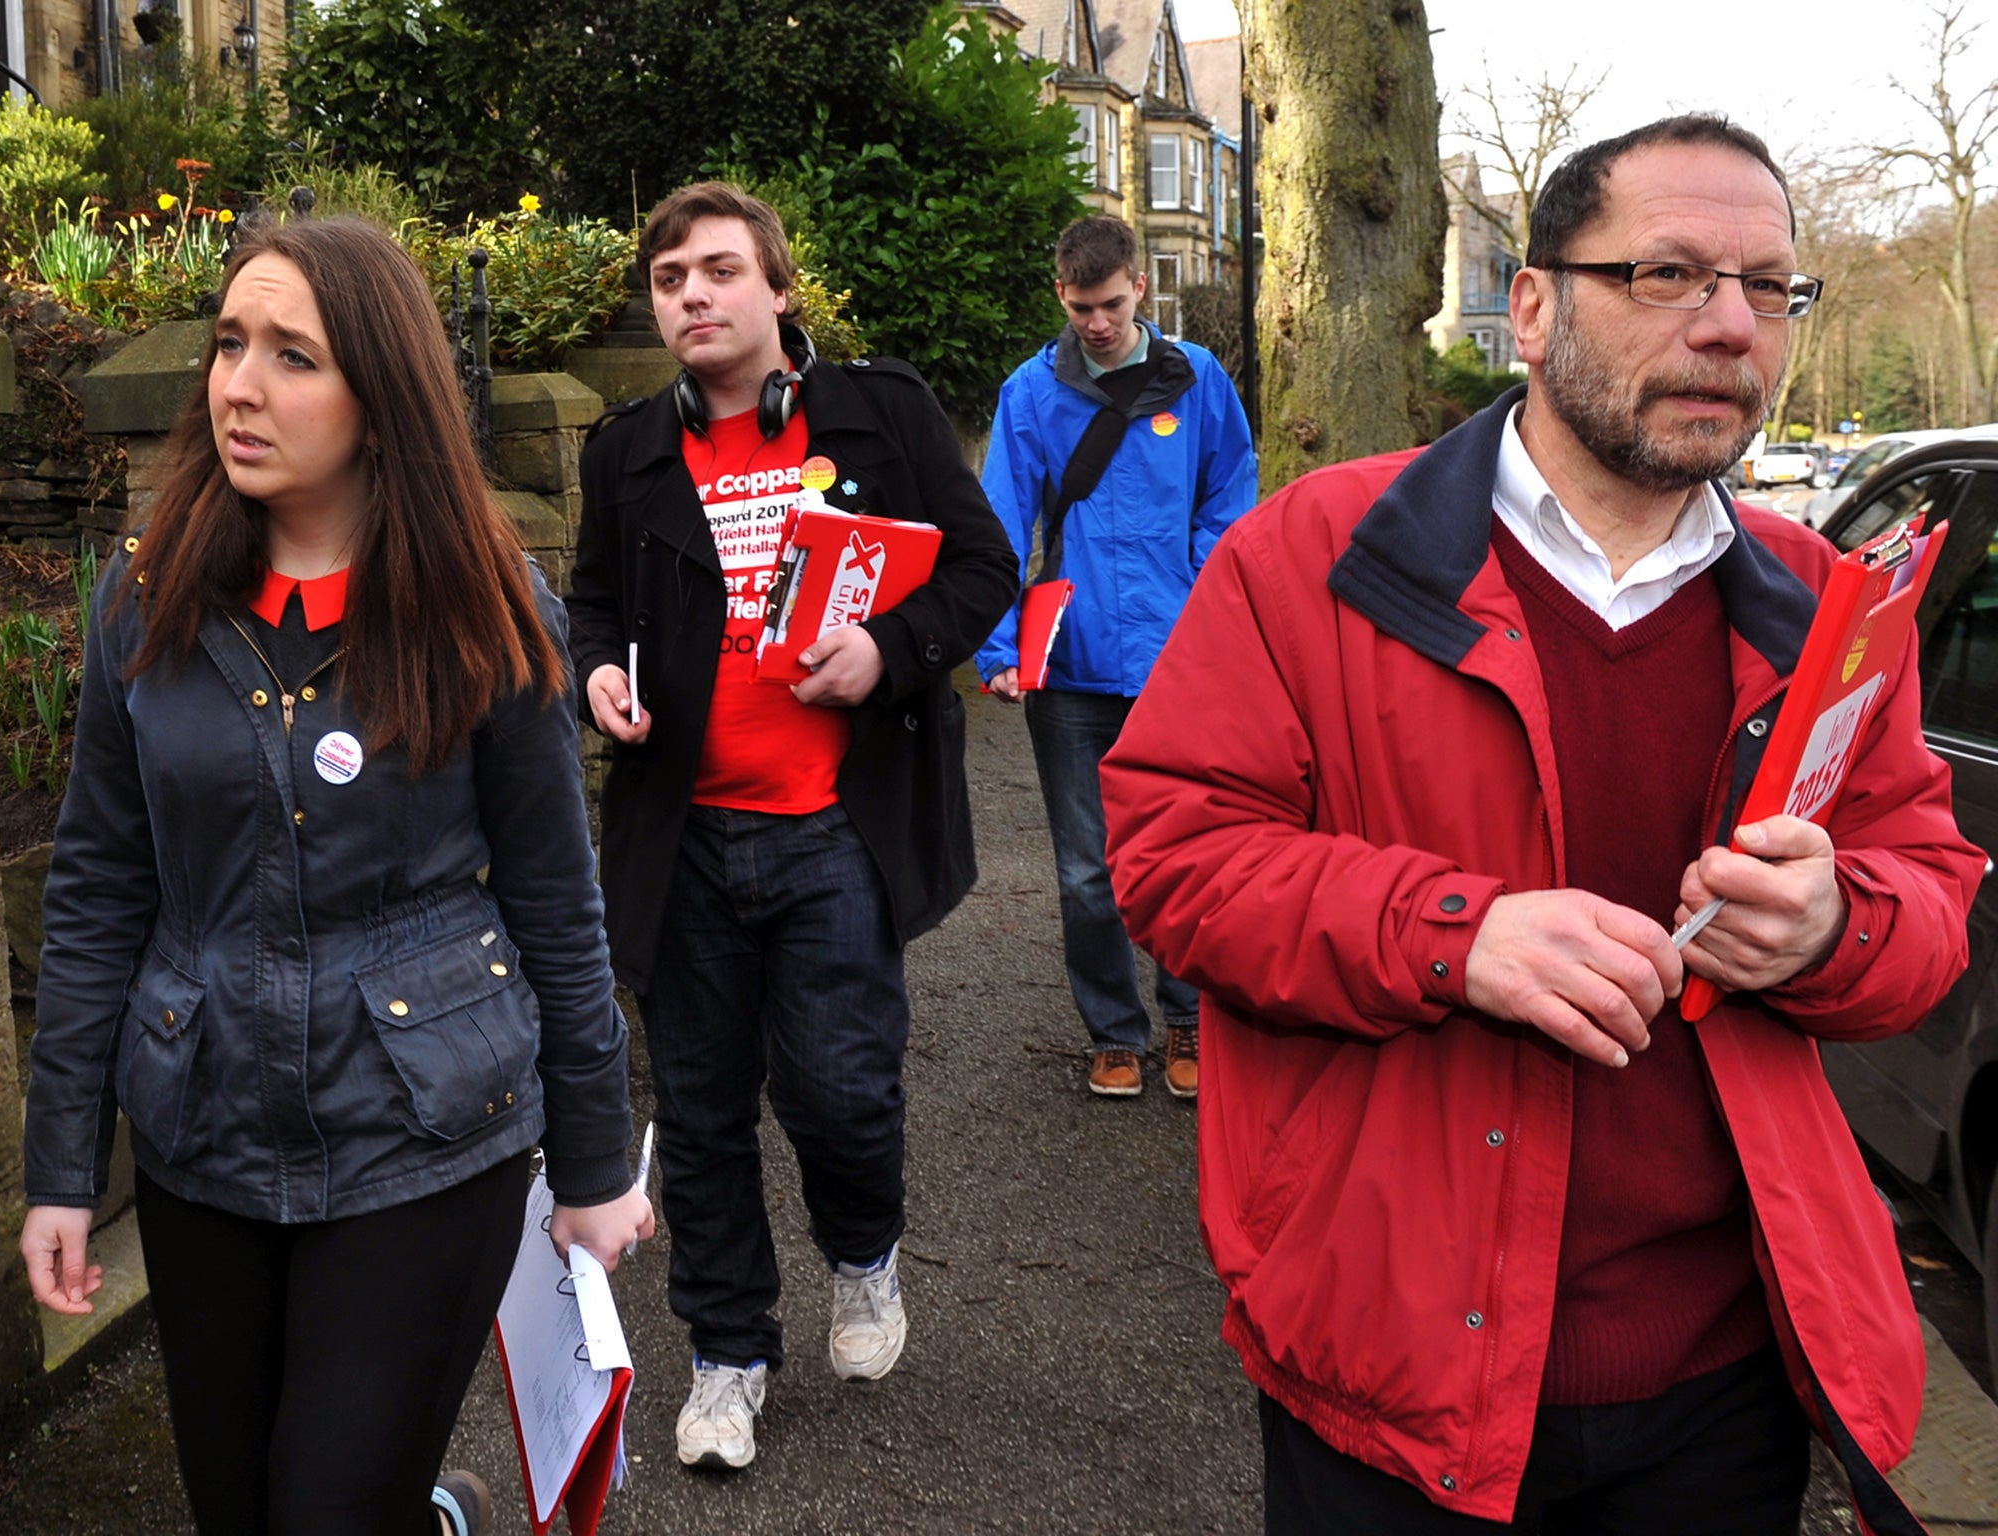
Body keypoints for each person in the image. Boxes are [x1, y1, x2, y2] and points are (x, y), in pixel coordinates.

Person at [1100, 116, 1984, 1534]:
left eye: (1770, 289)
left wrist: (1834, 924)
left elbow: (1928, 898)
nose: (1728, 327)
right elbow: (1175, 859)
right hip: (1392, 1371)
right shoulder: (1313, 556)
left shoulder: (1819, 597)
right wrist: (1458, 932)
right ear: (1530, 304)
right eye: (1669, 274)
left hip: (1727, 1378)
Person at [17, 217, 654, 1536]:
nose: (239, 385)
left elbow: (554, 893)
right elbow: (94, 886)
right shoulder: (148, 601)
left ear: (381, 393)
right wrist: (63, 1167)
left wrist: (596, 1161)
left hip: (424, 1141)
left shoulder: (484, 603)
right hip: (202, 1139)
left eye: (292, 355)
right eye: (230, 345)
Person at [567, 182, 1016, 1472]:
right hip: (685, 841)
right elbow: (595, 608)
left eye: (717, 271)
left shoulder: (883, 412)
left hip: (835, 832)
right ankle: (725, 1354)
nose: (691, 296)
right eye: (668, 279)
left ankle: (863, 1253)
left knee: (840, 1093)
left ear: (776, 288)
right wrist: (594, 673)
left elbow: (984, 568)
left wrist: (888, 650)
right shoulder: (625, 454)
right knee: (701, 1114)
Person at [975, 215, 1256, 1100]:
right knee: (1085, 868)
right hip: (1073, 661)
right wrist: (996, 647)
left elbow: (1231, 493)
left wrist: (1203, 601)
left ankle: (1189, 1022)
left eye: (1110, 302)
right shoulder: (1030, 392)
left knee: (1183, 849)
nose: (1096, 321)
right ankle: (1113, 1033)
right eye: (1080, 305)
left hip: (1179, 661)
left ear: (1139, 285)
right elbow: (998, 522)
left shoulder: (1198, 379)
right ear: (1060, 293)